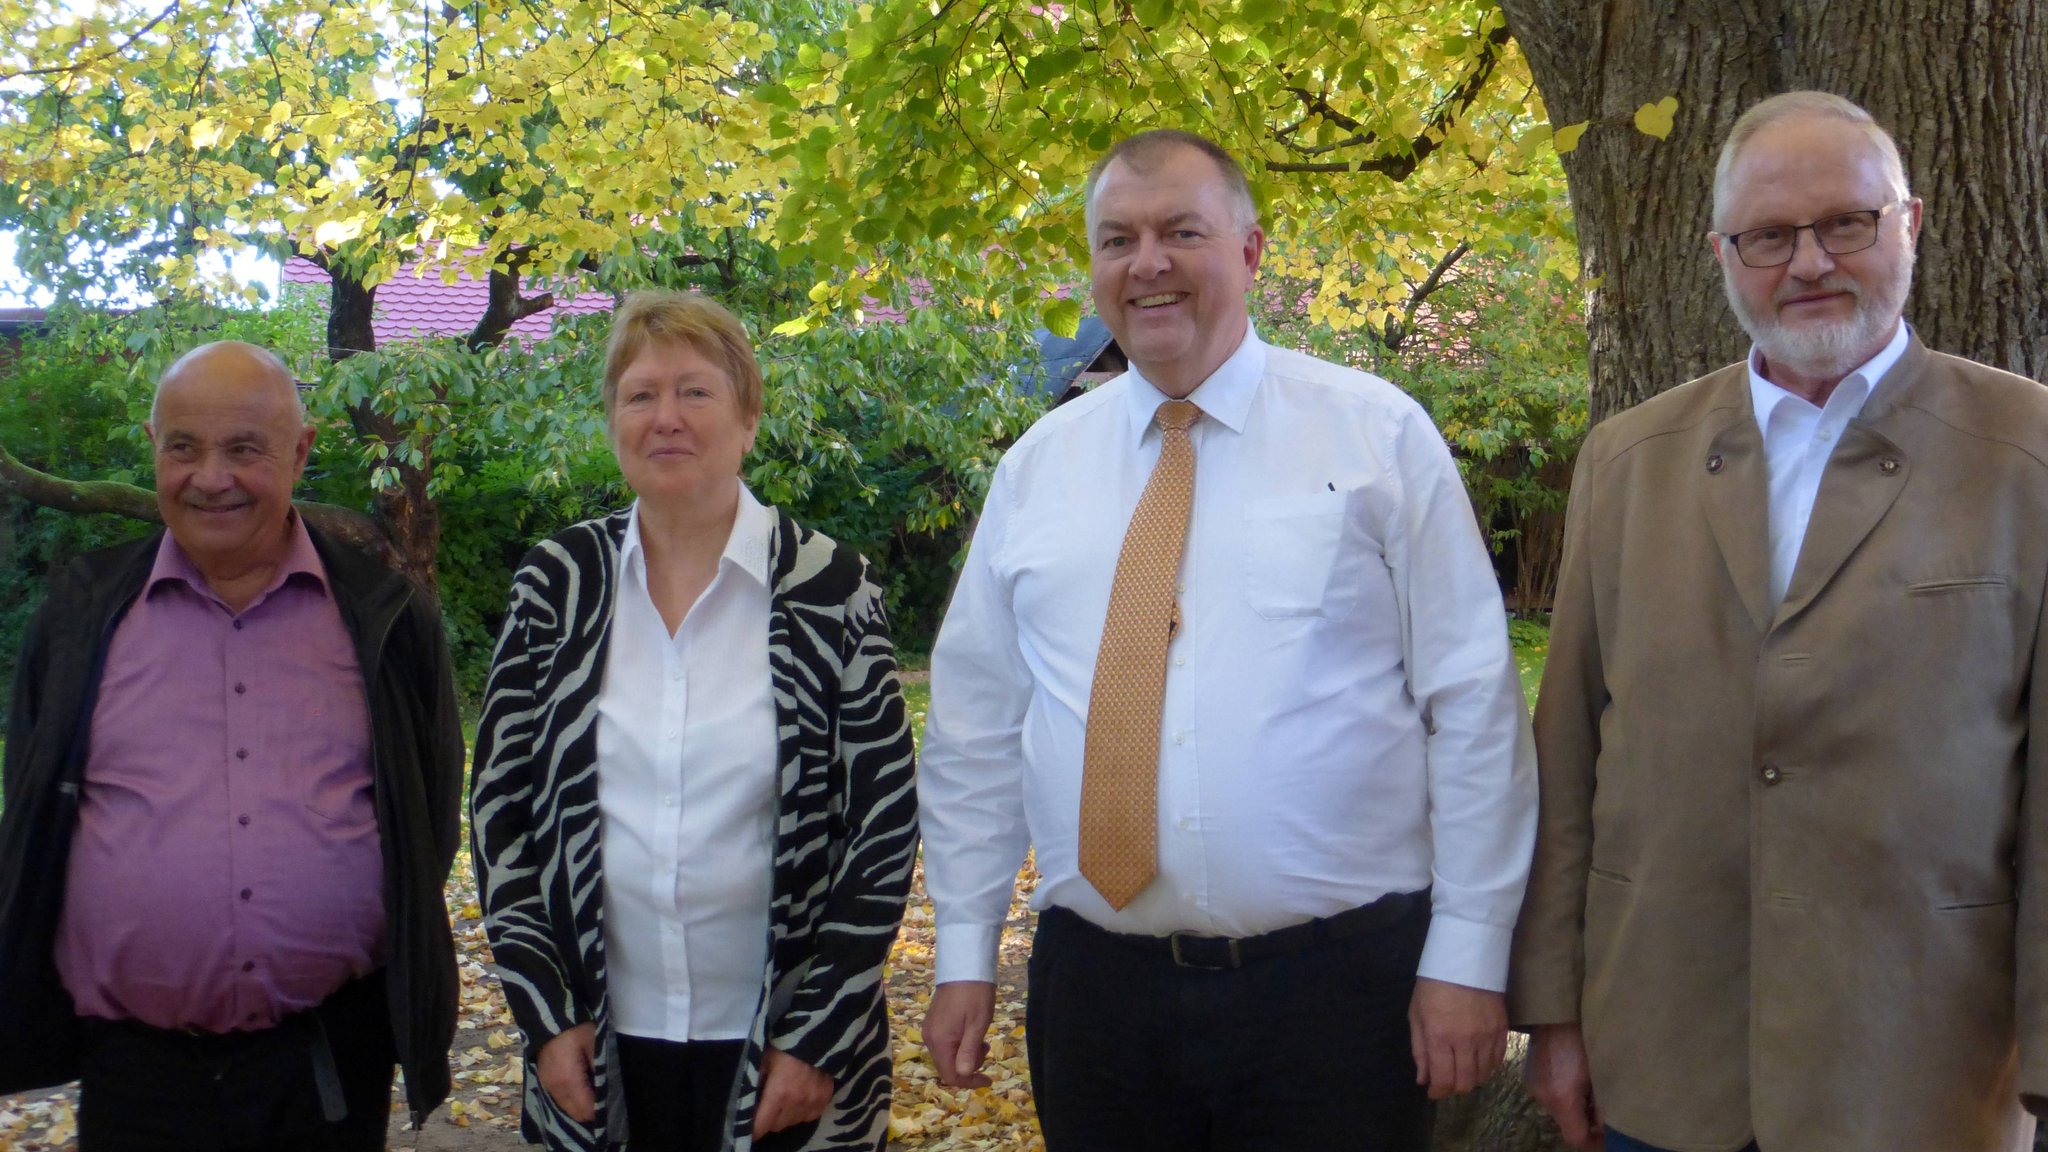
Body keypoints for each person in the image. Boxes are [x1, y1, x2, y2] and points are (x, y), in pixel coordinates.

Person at [917, 128, 1537, 1150]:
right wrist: (964, 954)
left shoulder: (1373, 437)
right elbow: (978, 728)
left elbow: (1470, 705)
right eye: (1116, 239)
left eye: (1180, 232)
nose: (1146, 263)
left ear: (1249, 253)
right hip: (1097, 998)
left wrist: (1466, 956)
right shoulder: (1036, 471)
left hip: (1336, 995)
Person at [1511, 90, 2048, 1152]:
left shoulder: (2025, 453)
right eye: (1768, 235)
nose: (1807, 263)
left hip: (1918, 1069)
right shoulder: (1624, 462)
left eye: (1846, 222)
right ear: (1720, 253)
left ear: (1912, 224)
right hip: (1663, 1057)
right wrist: (1553, 1014)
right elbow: (1564, 757)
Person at [470, 290, 918, 1152]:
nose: (665, 418)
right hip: (594, 1045)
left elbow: (883, 829)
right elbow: (500, 817)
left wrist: (818, 1035)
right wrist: (545, 1016)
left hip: (787, 1051)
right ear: (613, 421)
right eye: (640, 395)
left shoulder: (832, 588)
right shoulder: (557, 586)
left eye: (696, 392)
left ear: (748, 416)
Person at [0, 341, 464, 1150]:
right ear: (153, 445)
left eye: (245, 448)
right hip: (135, 1071)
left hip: (324, 1064)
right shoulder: (82, 611)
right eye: (183, 447)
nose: (211, 476)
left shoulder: (385, 616)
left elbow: (427, 816)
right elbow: (35, 810)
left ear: (301, 451)